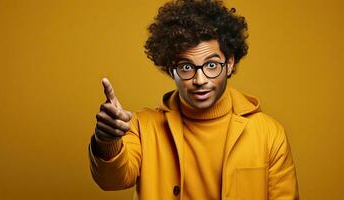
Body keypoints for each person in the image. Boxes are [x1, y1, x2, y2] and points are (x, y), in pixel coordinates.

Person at [88, 0, 299, 199]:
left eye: (211, 65)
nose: (200, 80)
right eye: (186, 67)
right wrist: (107, 140)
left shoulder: (269, 135)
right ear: (171, 70)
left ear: (230, 64)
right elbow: (112, 180)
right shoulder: (143, 126)